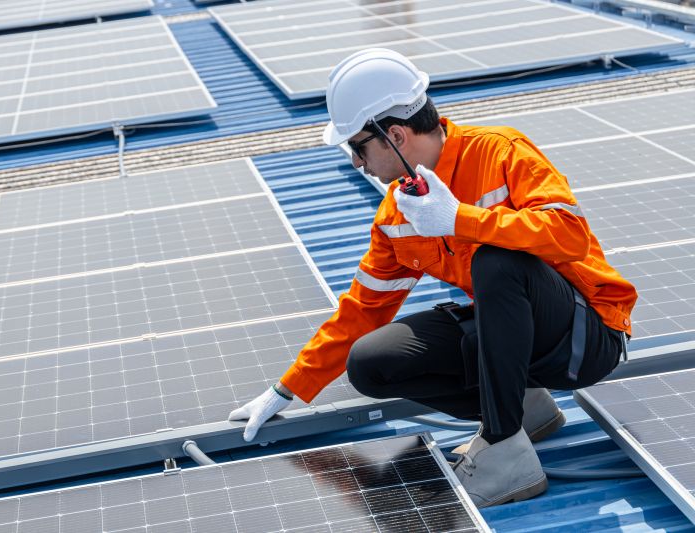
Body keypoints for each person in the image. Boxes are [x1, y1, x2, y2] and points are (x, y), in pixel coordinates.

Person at [228, 48, 637, 508]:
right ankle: (525, 408)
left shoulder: (499, 151)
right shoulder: (398, 213)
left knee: (496, 261)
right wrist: (286, 388)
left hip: (587, 336)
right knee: (371, 361)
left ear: (395, 135)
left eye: (358, 147)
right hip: (516, 340)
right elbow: (364, 308)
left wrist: (462, 219)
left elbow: (571, 236)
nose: (358, 164)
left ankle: (505, 450)